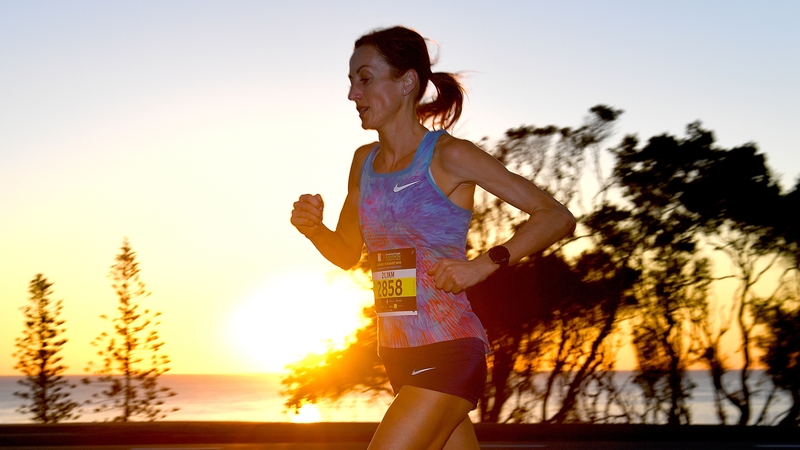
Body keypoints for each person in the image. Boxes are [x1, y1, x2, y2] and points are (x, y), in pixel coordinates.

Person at [291, 26, 576, 450]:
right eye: (351, 81)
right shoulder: (362, 163)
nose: (353, 93)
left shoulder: (449, 155)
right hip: (397, 353)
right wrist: (315, 230)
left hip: (450, 350)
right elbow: (349, 253)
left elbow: (556, 216)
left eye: (365, 79)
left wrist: (483, 264)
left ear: (407, 82)